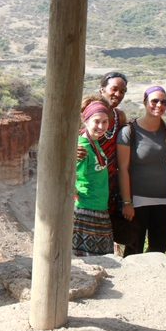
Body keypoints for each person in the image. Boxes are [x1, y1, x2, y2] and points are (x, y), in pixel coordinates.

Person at [117, 85, 166, 256]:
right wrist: (127, 203)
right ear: (145, 102)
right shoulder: (129, 132)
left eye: (164, 102)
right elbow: (123, 169)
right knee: (132, 252)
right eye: (155, 101)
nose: (159, 105)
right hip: (137, 202)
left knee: (158, 252)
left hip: (163, 202)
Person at [72, 98, 114, 256]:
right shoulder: (82, 147)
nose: (101, 126)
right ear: (86, 121)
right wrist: (78, 198)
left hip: (98, 208)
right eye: (96, 121)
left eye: (105, 122)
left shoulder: (95, 144)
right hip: (85, 210)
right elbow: (71, 178)